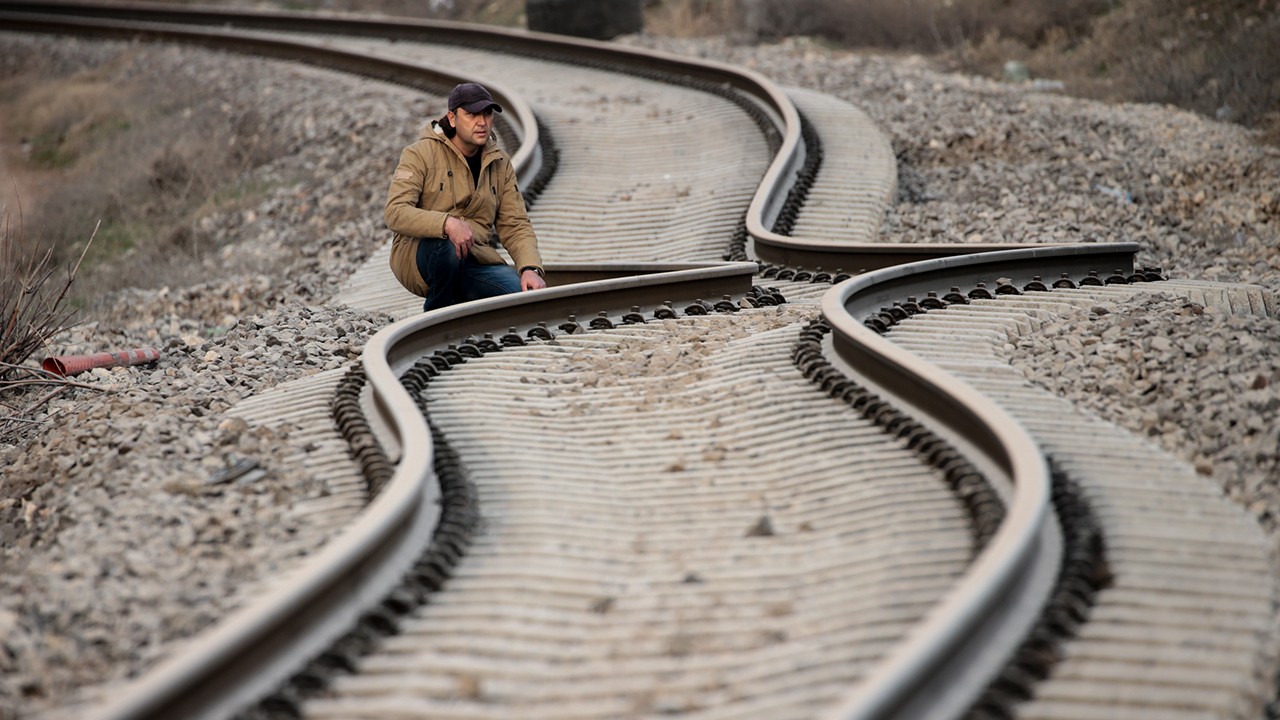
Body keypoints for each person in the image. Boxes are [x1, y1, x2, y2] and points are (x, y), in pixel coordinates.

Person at [386, 82, 546, 311]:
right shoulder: (419, 154)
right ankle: (436, 318)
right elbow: (395, 212)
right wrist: (446, 224)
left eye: (487, 114)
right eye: (471, 115)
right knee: (446, 248)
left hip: (475, 258)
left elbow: (515, 223)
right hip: (422, 256)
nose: (482, 123)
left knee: (521, 300)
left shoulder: (500, 163)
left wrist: (530, 268)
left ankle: (468, 312)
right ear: (452, 118)